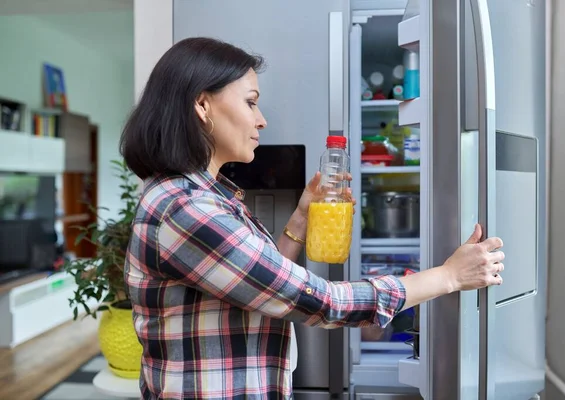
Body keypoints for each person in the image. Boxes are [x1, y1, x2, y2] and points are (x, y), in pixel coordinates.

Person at [120, 37, 505, 400]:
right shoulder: (186, 210)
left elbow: (261, 289)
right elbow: (320, 301)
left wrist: (302, 216)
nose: (261, 120)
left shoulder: (206, 196)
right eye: (251, 102)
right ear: (202, 106)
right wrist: (448, 276)